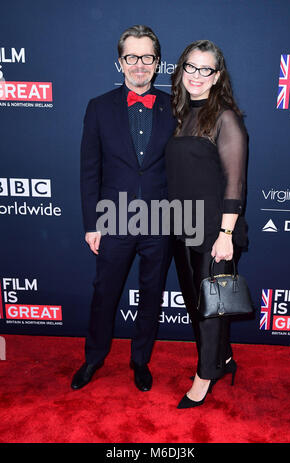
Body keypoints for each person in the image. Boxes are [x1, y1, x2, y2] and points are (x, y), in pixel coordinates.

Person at [71, 25, 176, 392]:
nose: (139, 65)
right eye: (132, 57)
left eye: (147, 57)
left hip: (160, 220)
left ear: (158, 63)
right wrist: (91, 224)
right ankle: (94, 358)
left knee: (151, 294)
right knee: (105, 293)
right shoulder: (98, 108)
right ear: (120, 63)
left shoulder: (174, 106)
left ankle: (140, 360)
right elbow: (90, 171)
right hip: (113, 219)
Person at [165, 40, 248, 409]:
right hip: (182, 227)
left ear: (217, 76)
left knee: (210, 308)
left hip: (216, 230)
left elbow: (235, 182)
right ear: (181, 69)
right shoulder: (181, 114)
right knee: (198, 304)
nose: (197, 76)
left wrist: (226, 235)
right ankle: (224, 358)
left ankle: (205, 376)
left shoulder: (225, 117)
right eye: (190, 67)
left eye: (206, 70)